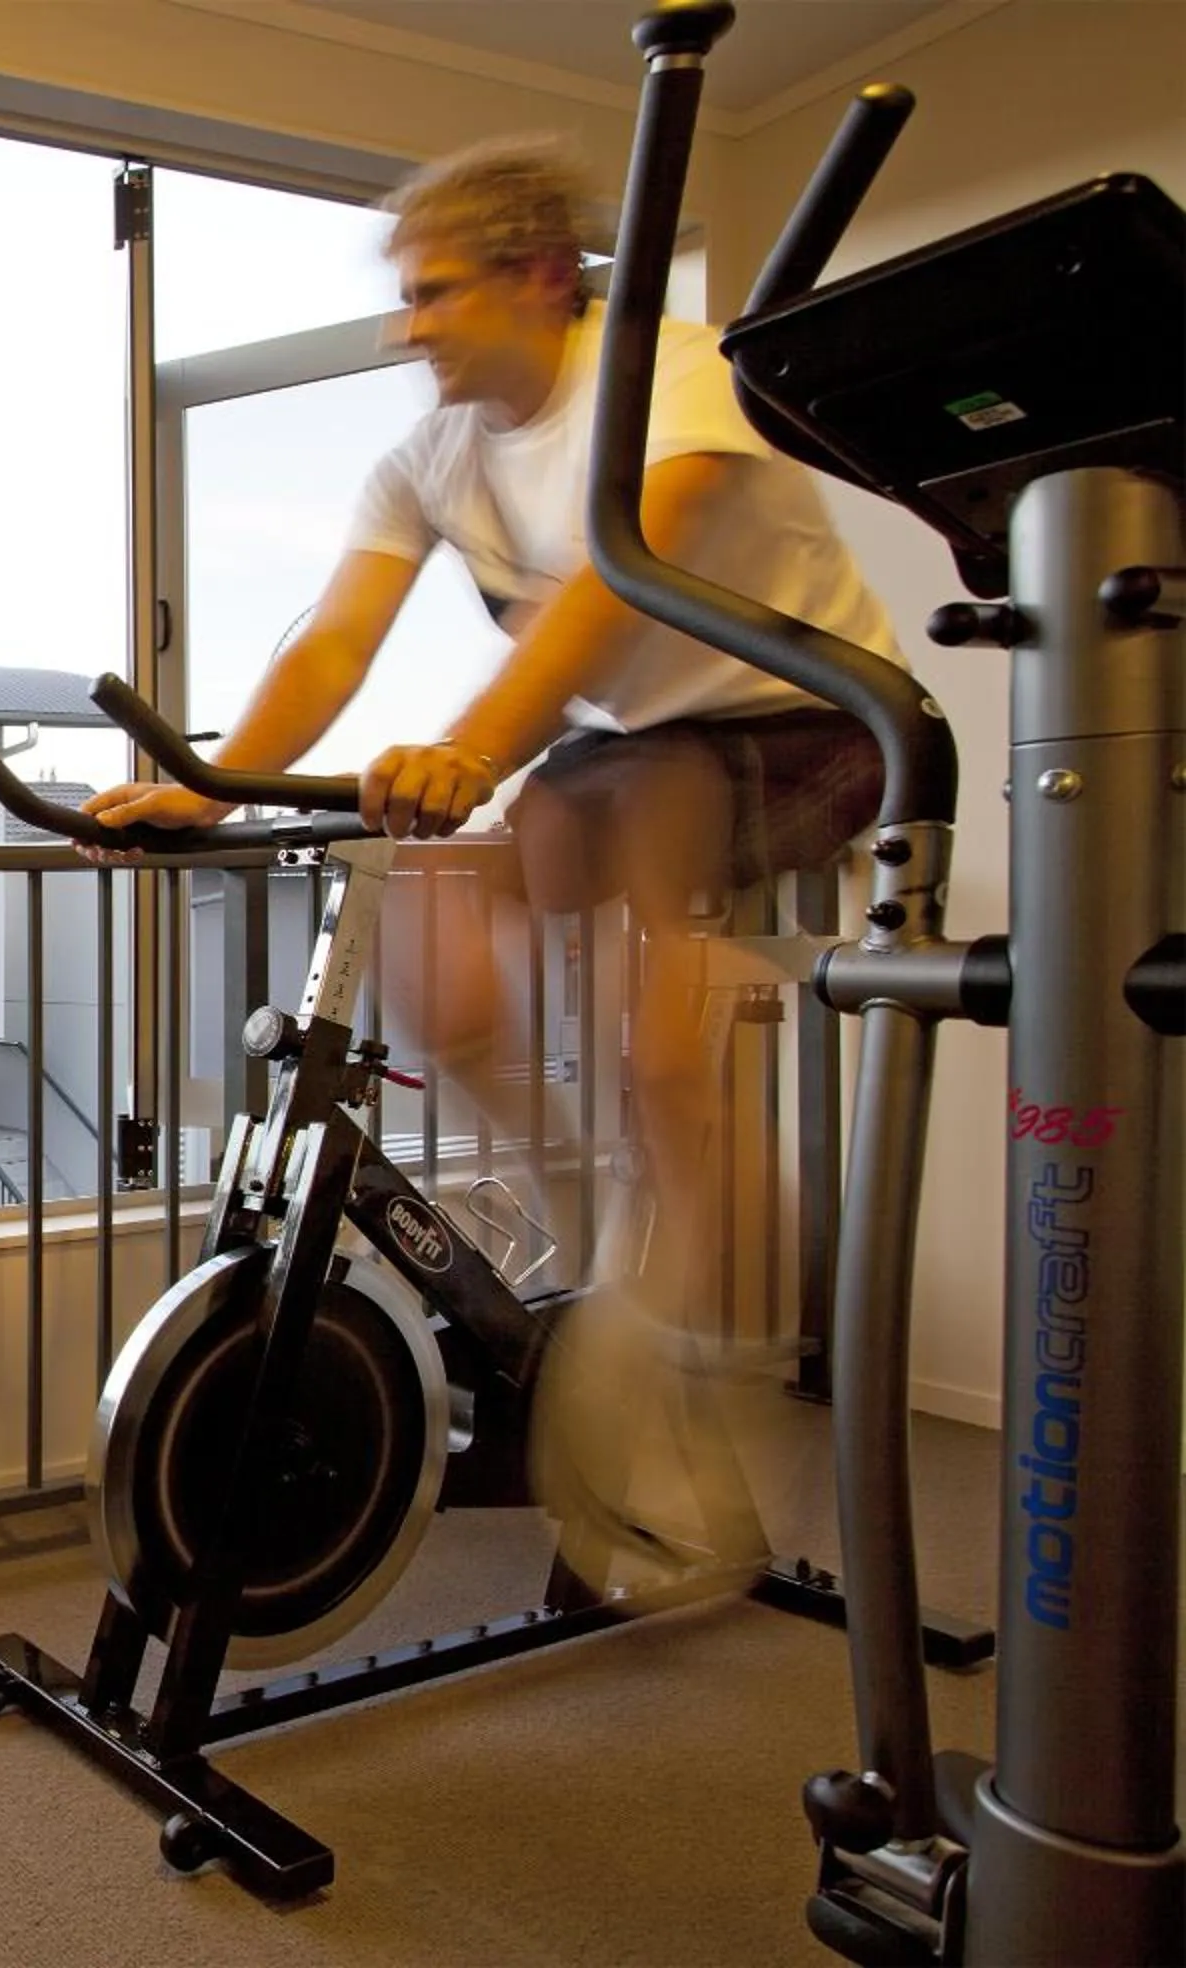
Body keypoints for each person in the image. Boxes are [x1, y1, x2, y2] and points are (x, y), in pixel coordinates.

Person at [87, 139, 902, 1566]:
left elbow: (604, 595)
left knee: (658, 1009)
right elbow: (337, 638)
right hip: (641, 739)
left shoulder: (670, 373)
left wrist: (471, 748)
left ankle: (688, 1326)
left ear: (538, 278)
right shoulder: (435, 461)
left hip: (805, 715)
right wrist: (204, 788)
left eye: (438, 291)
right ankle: (587, 1204)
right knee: (432, 924)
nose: (412, 327)